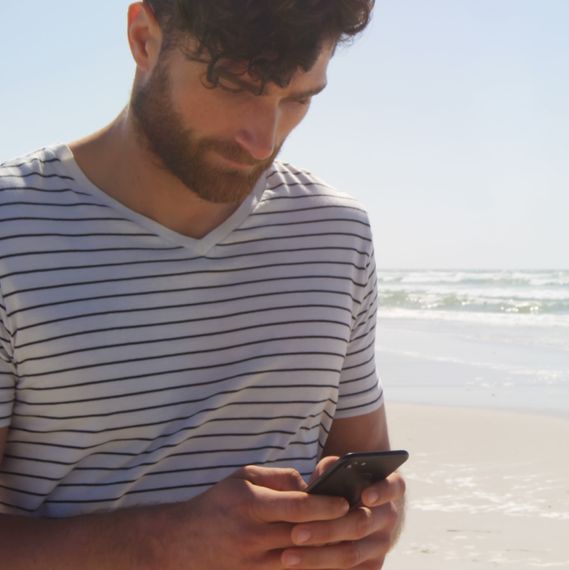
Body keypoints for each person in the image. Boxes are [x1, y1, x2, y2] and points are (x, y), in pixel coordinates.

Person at [0, 1, 406, 568]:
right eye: (238, 85)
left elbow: (364, 469)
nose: (263, 141)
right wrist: (163, 543)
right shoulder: (11, 228)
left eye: (299, 98)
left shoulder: (337, 232)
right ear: (144, 39)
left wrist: (376, 524)